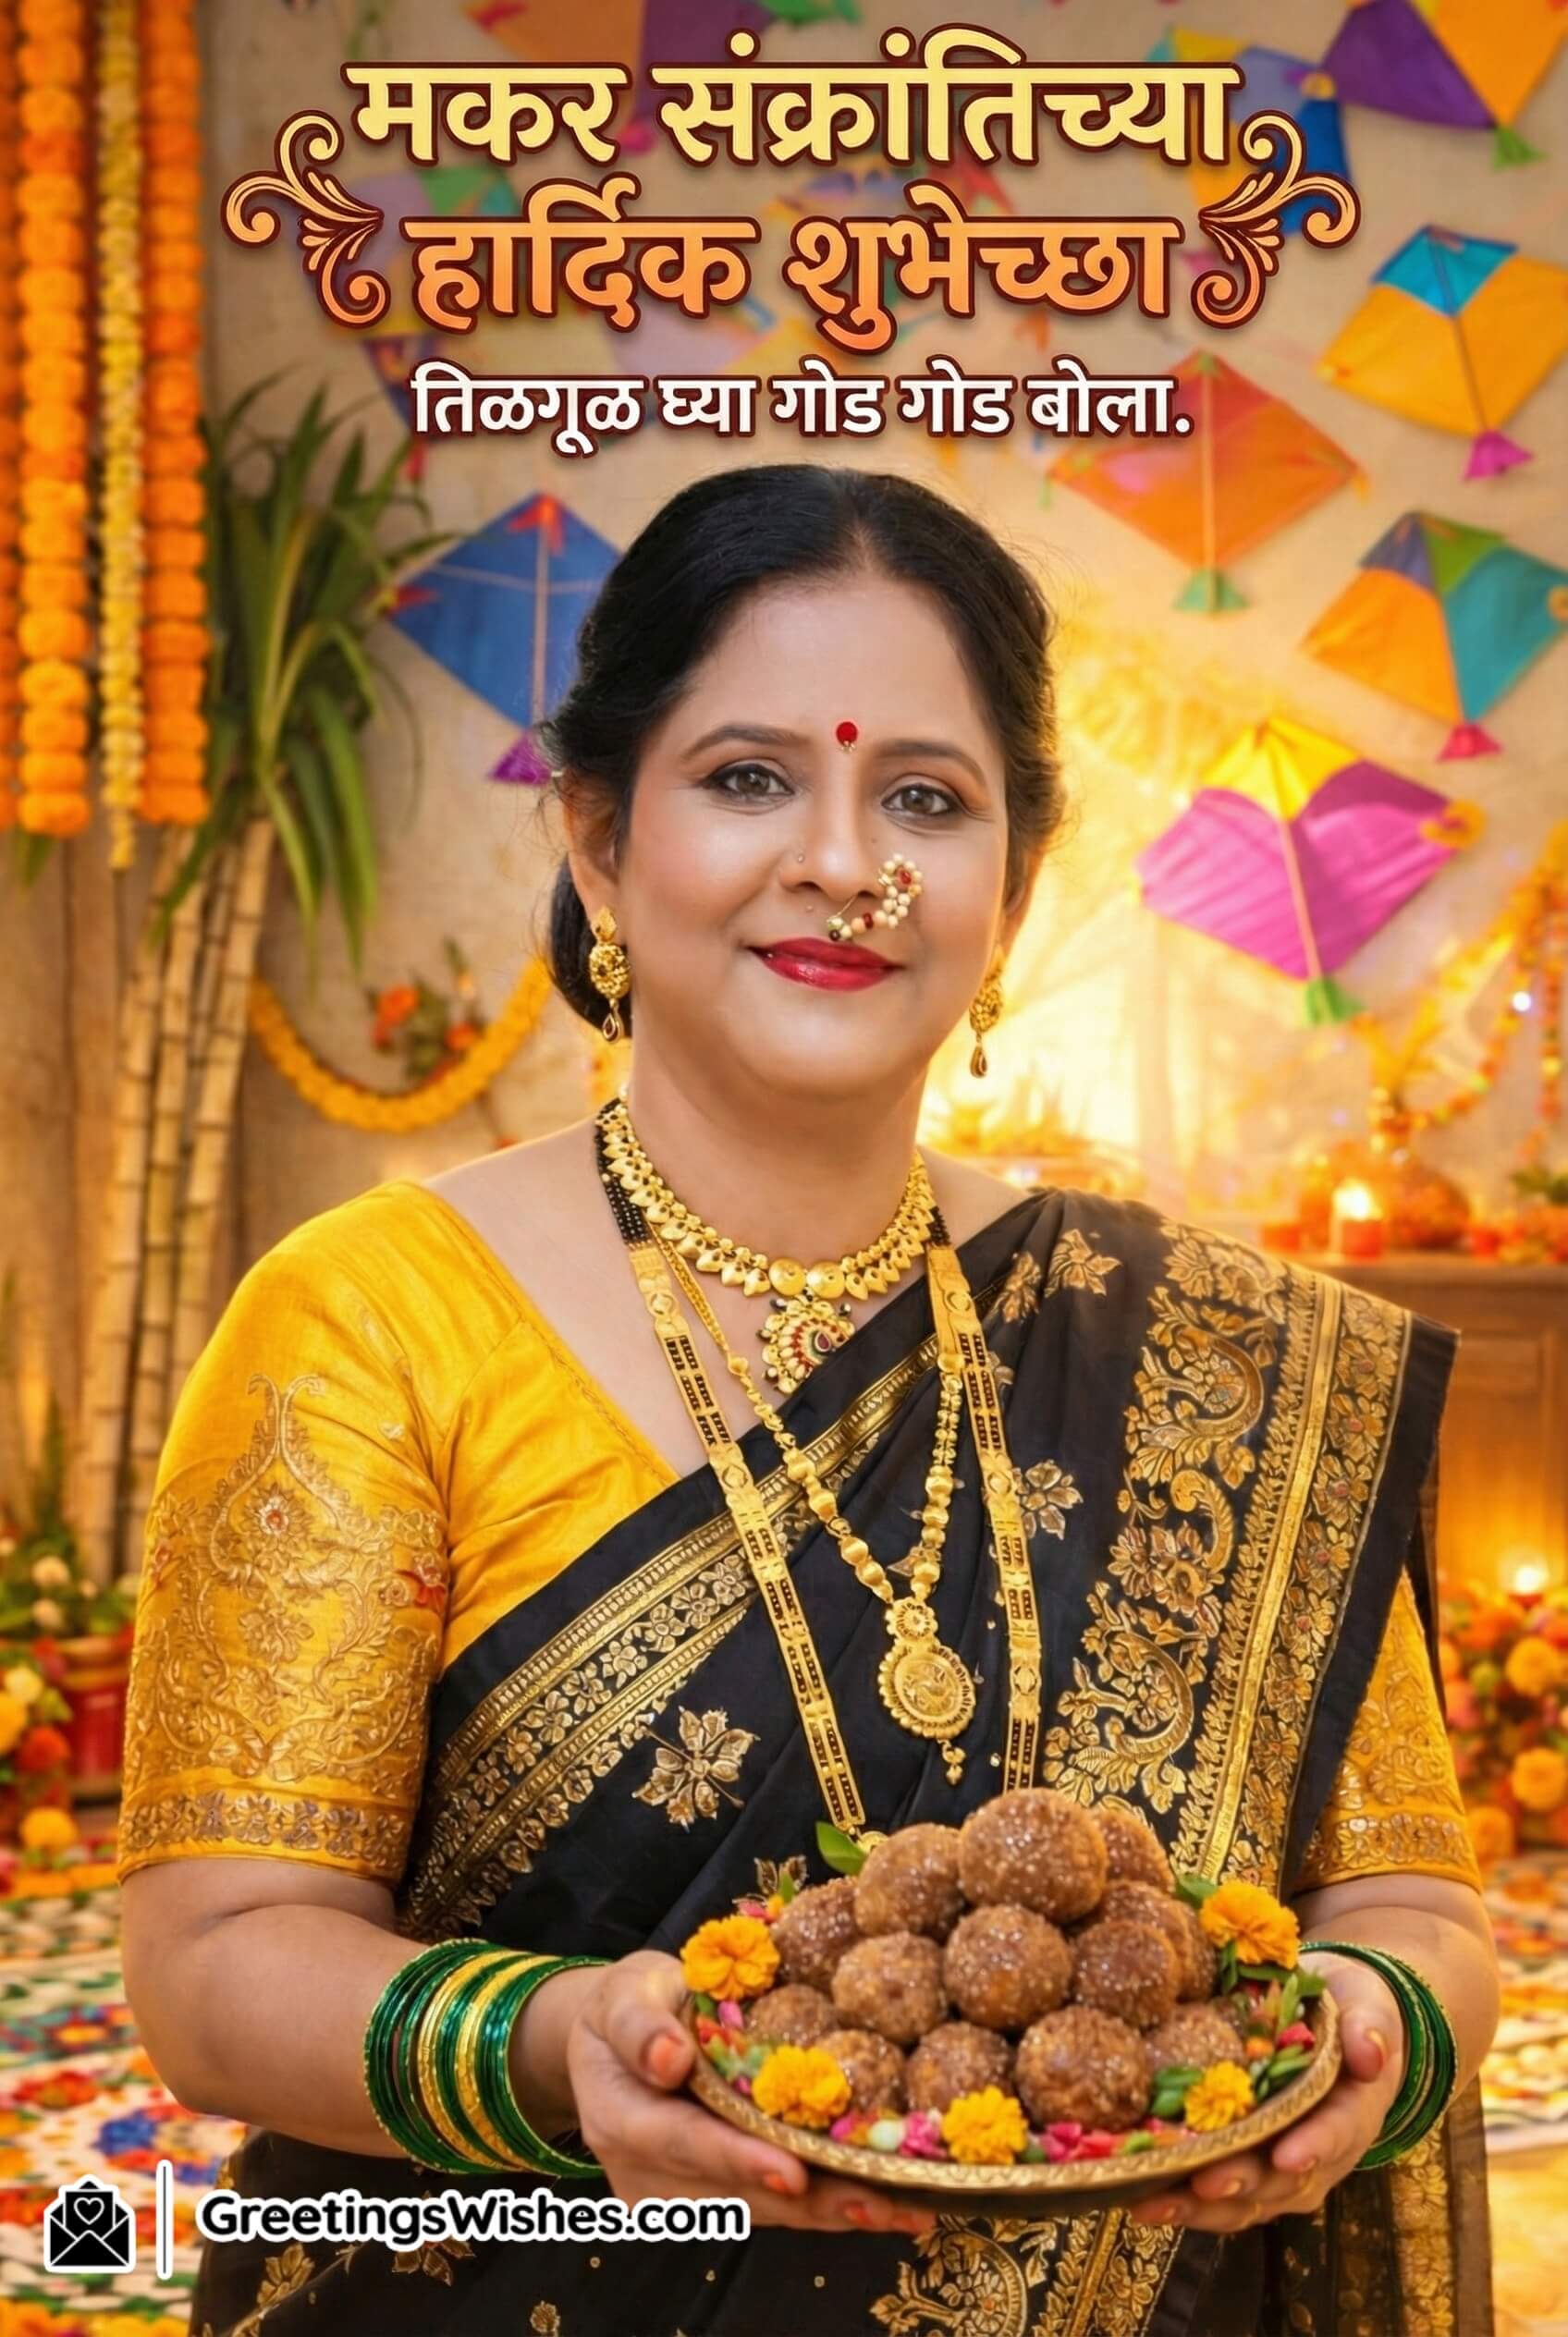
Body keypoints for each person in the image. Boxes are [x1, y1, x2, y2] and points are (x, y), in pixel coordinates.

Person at [116, 465, 1500, 2337]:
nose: (846, 861)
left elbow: (1405, 1910)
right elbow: (210, 1967)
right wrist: (560, 2042)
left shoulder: (1215, 1351)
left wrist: (1351, 2037)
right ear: (600, 842)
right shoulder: (372, 1323)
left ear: (1009, 883)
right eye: (749, 777)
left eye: (924, 796)